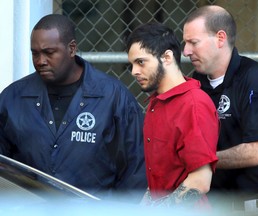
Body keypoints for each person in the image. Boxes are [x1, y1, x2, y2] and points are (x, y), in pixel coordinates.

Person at [0, 14, 147, 202]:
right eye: (35, 53)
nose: (40, 60)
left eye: (49, 52)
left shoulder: (113, 97)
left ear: (71, 48)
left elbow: (135, 169)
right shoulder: (14, 97)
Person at [183, 5, 258, 207]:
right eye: (185, 43)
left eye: (193, 42)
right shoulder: (194, 83)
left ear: (220, 38)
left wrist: (200, 160)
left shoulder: (255, 79)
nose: (186, 51)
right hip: (211, 203)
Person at [125, 22, 219, 209]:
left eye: (141, 62)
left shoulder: (193, 104)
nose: (134, 71)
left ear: (167, 57)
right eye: (132, 64)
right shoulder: (156, 102)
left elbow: (201, 180)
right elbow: (160, 180)